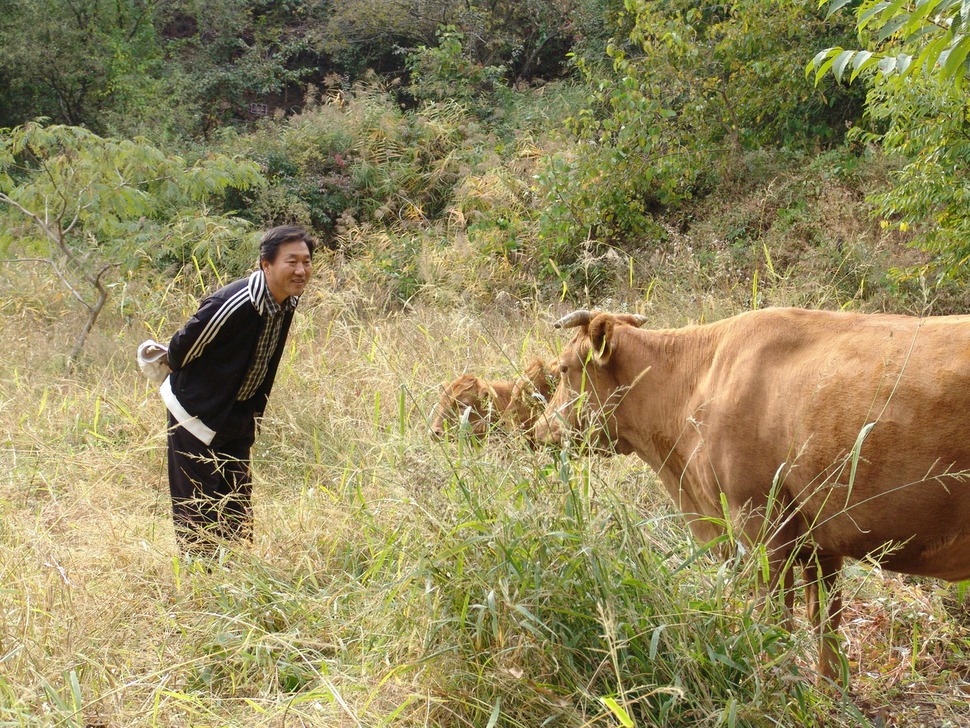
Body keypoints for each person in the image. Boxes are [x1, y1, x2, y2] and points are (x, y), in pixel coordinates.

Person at [160, 225, 315, 557]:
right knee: (197, 500)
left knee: (235, 498)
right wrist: (203, 395)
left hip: (238, 412)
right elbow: (179, 351)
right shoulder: (233, 303)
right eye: (292, 261)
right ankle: (200, 580)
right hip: (195, 412)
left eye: (306, 261)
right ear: (266, 264)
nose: (301, 270)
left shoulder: (287, 299)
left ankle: (236, 570)